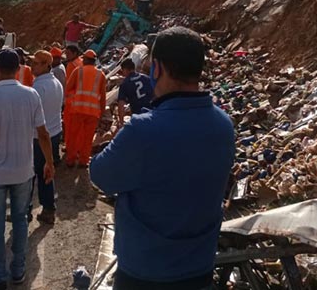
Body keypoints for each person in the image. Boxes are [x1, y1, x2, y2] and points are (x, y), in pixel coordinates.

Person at [90, 27, 235, 289]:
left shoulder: (143, 130)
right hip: (199, 269)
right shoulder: (224, 126)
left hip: (145, 272)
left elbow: (101, 175)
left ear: (157, 69)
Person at [0, 49, 55, 290]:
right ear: (18, 69)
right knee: (20, 221)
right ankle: (18, 271)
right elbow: (43, 134)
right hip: (23, 172)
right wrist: (50, 162)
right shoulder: (31, 95)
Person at [29, 50, 64, 224]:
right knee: (46, 171)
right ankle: (47, 208)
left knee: (31, 174)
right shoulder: (55, 83)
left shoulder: (38, 87)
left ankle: (26, 210)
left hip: (40, 137)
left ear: (46, 65)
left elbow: (31, 116)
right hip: (54, 132)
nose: (31, 66)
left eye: (35, 63)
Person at [64, 49, 106, 167]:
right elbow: (103, 96)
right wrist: (101, 112)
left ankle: (71, 160)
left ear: (86, 59)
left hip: (77, 109)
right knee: (88, 138)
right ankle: (84, 161)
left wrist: (75, 98)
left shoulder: (78, 71)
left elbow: (68, 89)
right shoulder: (101, 74)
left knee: (73, 135)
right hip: (93, 112)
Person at [116, 58, 153, 125]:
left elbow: (121, 104)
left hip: (139, 117)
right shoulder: (145, 78)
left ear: (125, 70)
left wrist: (121, 122)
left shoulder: (125, 84)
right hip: (152, 113)